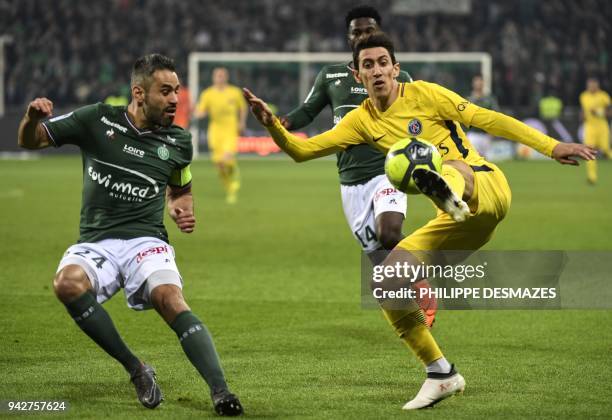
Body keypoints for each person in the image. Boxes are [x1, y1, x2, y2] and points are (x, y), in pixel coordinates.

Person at [244, 33, 595, 410]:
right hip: (454, 222)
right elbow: (303, 150)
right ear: (357, 75)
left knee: (451, 167)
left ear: (396, 69)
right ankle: (441, 373)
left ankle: (445, 186)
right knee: (385, 281)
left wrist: (550, 146)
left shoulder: (425, 94)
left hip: (486, 185)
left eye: (383, 63)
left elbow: (488, 119)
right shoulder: (362, 122)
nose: (376, 70)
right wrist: (272, 125)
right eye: (368, 65)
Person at [17, 54, 243, 417]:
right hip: (96, 242)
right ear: (139, 92)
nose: (174, 100)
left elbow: (180, 187)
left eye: (177, 92)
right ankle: (137, 369)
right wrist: (31, 119)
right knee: (66, 284)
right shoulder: (96, 119)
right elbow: (31, 141)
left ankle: (222, 392)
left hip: (147, 241)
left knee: (169, 298)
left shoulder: (178, 141)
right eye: (165, 91)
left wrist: (181, 206)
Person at [281, 5, 435, 326]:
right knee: (378, 259)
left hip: (388, 170)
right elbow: (307, 112)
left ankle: (422, 283)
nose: (363, 35)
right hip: (350, 181)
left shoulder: (397, 76)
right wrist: (278, 123)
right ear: (349, 37)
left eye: (369, 30)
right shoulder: (331, 76)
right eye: (357, 32)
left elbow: (416, 119)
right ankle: (410, 315)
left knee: (390, 232)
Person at [195, 67, 247, 204]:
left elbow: (243, 108)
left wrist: (242, 122)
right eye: (218, 75)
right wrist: (197, 114)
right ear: (213, 78)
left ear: (226, 77)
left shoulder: (234, 92)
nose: (220, 78)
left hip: (230, 129)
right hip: (215, 131)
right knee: (219, 164)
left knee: (227, 158)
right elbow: (201, 111)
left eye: (222, 75)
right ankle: (229, 187)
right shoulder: (207, 94)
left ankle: (233, 185)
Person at [579, 77, 611, 184]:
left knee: (606, 150)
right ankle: (592, 177)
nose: (591, 87)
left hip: (602, 127)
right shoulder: (583, 96)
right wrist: (582, 116)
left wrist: (598, 112)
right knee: (588, 151)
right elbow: (583, 111)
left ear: (597, 85)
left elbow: (609, 113)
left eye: (593, 85)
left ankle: (592, 177)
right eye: (589, 85)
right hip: (589, 127)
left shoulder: (604, 96)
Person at [466, 74, 498, 159]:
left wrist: (492, 133)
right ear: (473, 83)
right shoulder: (468, 100)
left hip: (485, 135)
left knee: (486, 161)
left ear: (483, 83)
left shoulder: (489, 100)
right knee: (472, 159)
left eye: (480, 81)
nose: (478, 83)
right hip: (473, 135)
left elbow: (495, 116)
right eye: (476, 81)